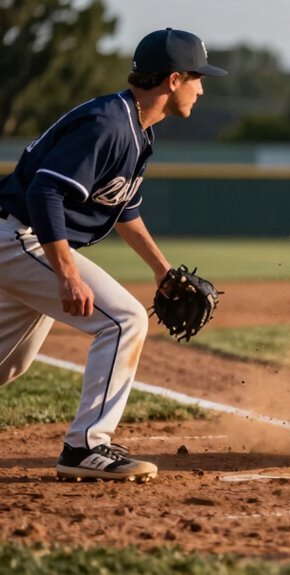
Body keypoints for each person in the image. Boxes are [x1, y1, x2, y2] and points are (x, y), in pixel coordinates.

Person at [0, 29, 227, 482]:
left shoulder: (138, 129)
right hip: (19, 234)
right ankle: (87, 447)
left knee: (8, 363)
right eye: (198, 78)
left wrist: (161, 271)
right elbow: (46, 190)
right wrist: (67, 274)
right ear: (174, 79)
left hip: (20, 238)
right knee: (123, 319)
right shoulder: (109, 123)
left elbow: (123, 208)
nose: (202, 88)